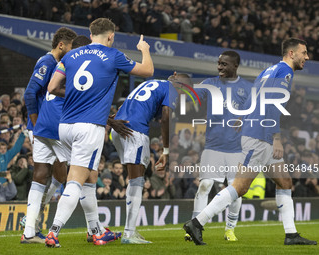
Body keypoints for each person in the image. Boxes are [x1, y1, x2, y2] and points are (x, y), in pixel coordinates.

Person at [184, 38, 317, 245]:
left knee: (285, 182)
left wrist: (241, 117)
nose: (307, 57)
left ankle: (291, 234)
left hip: (256, 132)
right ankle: (197, 223)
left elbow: (255, 93)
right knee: (240, 187)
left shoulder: (268, 71)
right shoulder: (285, 72)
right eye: (304, 53)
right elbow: (271, 103)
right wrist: (277, 138)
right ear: (291, 54)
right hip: (260, 137)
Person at [45, 18, 153, 248]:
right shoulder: (113, 55)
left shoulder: (70, 56)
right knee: (76, 179)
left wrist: (75, 95)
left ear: (90, 34)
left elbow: (52, 87)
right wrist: (144, 50)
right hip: (89, 127)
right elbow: (148, 70)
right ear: (111, 36)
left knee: (90, 178)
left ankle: (96, 231)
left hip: (65, 126)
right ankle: (53, 231)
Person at [184, 51, 252, 242]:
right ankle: (195, 226)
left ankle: (230, 229)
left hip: (238, 149)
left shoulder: (247, 88)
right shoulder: (210, 83)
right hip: (213, 146)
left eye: (224, 64)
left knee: (235, 190)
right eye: (219, 63)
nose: (220, 67)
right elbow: (191, 94)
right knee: (204, 185)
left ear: (235, 66)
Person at [111, 74, 187, 244]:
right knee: (137, 181)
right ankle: (129, 233)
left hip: (118, 128)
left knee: (133, 180)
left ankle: (130, 230)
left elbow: (125, 104)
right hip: (134, 131)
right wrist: (166, 150)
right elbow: (166, 117)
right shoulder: (172, 88)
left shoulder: (150, 84)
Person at [21, 27, 77, 243]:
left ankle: (30, 229)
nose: (72, 53)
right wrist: (35, 124)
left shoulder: (57, 64)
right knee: (65, 172)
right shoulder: (47, 62)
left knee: (45, 173)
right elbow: (29, 93)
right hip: (42, 125)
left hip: (46, 124)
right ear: (61, 45)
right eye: (71, 48)